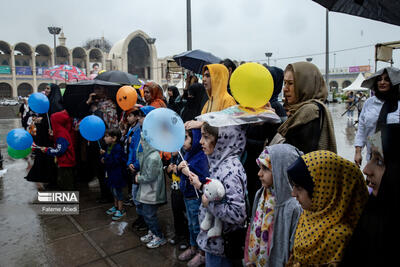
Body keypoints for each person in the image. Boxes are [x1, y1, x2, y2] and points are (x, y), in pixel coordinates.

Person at [286, 150, 368, 266]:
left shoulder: (339, 237)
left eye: (299, 187)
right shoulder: (309, 216)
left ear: (325, 191)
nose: (293, 193)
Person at [192, 123, 247, 266]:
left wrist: (208, 204)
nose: (200, 141)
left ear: (223, 140)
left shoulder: (230, 171)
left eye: (206, 137)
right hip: (214, 243)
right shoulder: (219, 163)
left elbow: (237, 214)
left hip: (222, 246)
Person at [244, 144, 302, 267]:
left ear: (281, 170)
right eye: (260, 168)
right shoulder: (262, 194)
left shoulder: (293, 207)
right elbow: (253, 226)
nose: (259, 173)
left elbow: (292, 246)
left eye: (265, 168)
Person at [270, 62, 337, 154]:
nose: (285, 89)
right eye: (285, 83)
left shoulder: (310, 112)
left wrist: (270, 124)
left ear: (305, 85)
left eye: (290, 83)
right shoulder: (295, 109)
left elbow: (293, 153)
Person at [354, 67, 400, 166]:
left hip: (395, 160)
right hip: (373, 159)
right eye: (379, 79)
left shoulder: (399, 103)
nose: (382, 82)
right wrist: (358, 152)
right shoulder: (369, 103)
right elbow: (361, 129)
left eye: (387, 79)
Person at [177, 129, 209, 266]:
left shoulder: (201, 157)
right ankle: (193, 247)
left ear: (195, 139)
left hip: (196, 199)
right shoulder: (188, 154)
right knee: (190, 224)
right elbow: (181, 174)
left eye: (186, 138)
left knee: (198, 226)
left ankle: (201, 253)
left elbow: (203, 179)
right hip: (187, 196)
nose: (182, 141)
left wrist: (187, 171)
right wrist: (180, 169)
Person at [135, 134, 167, 249]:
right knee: (147, 214)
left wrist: (139, 178)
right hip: (148, 191)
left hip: (152, 193)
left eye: (143, 141)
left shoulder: (153, 157)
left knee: (149, 215)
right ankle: (152, 232)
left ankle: (159, 236)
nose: (141, 143)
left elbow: (150, 176)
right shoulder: (149, 155)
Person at [127, 106, 155, 231]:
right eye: (138, 115)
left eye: (142, 116)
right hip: (134, 169)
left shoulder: (152, 134)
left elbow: (147, 154)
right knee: (135, 195)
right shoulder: (138, 131)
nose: (139, 118)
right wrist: (130, 162)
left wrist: (136, 165)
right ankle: (141, 217)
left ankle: (147, 221)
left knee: (144, 197)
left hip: (144, 170)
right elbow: (132, 148)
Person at [41, 110, 76, 190]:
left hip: (66, 163)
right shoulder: (61, 131)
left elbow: (59, 150)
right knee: (65, 182)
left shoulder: (61, 134)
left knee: (66, 184)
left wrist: (47, 150)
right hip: (65, 162)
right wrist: (53, 136)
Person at [101, 129, 127, 220]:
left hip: (117, 174)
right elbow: (108, 158)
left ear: (114, 138)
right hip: (111, 173)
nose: (104, 138)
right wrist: (103, 157)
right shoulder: (109, 146)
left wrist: (106, 156)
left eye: (107, 136)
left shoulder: (118, 148)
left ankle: (121, 209)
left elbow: (115, 160)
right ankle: (115, 207)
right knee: (113, 190)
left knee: (118, 192)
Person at [166, 152, 189, 251]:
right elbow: (170, 175)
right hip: (175, 190)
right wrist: (169, 169)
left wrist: (178, 170)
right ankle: (178, 234)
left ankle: (186, 238)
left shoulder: (185, 155)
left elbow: (188, 174)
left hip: (184, 191)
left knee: (185, 215)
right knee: (176, 213)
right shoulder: (173, 157)